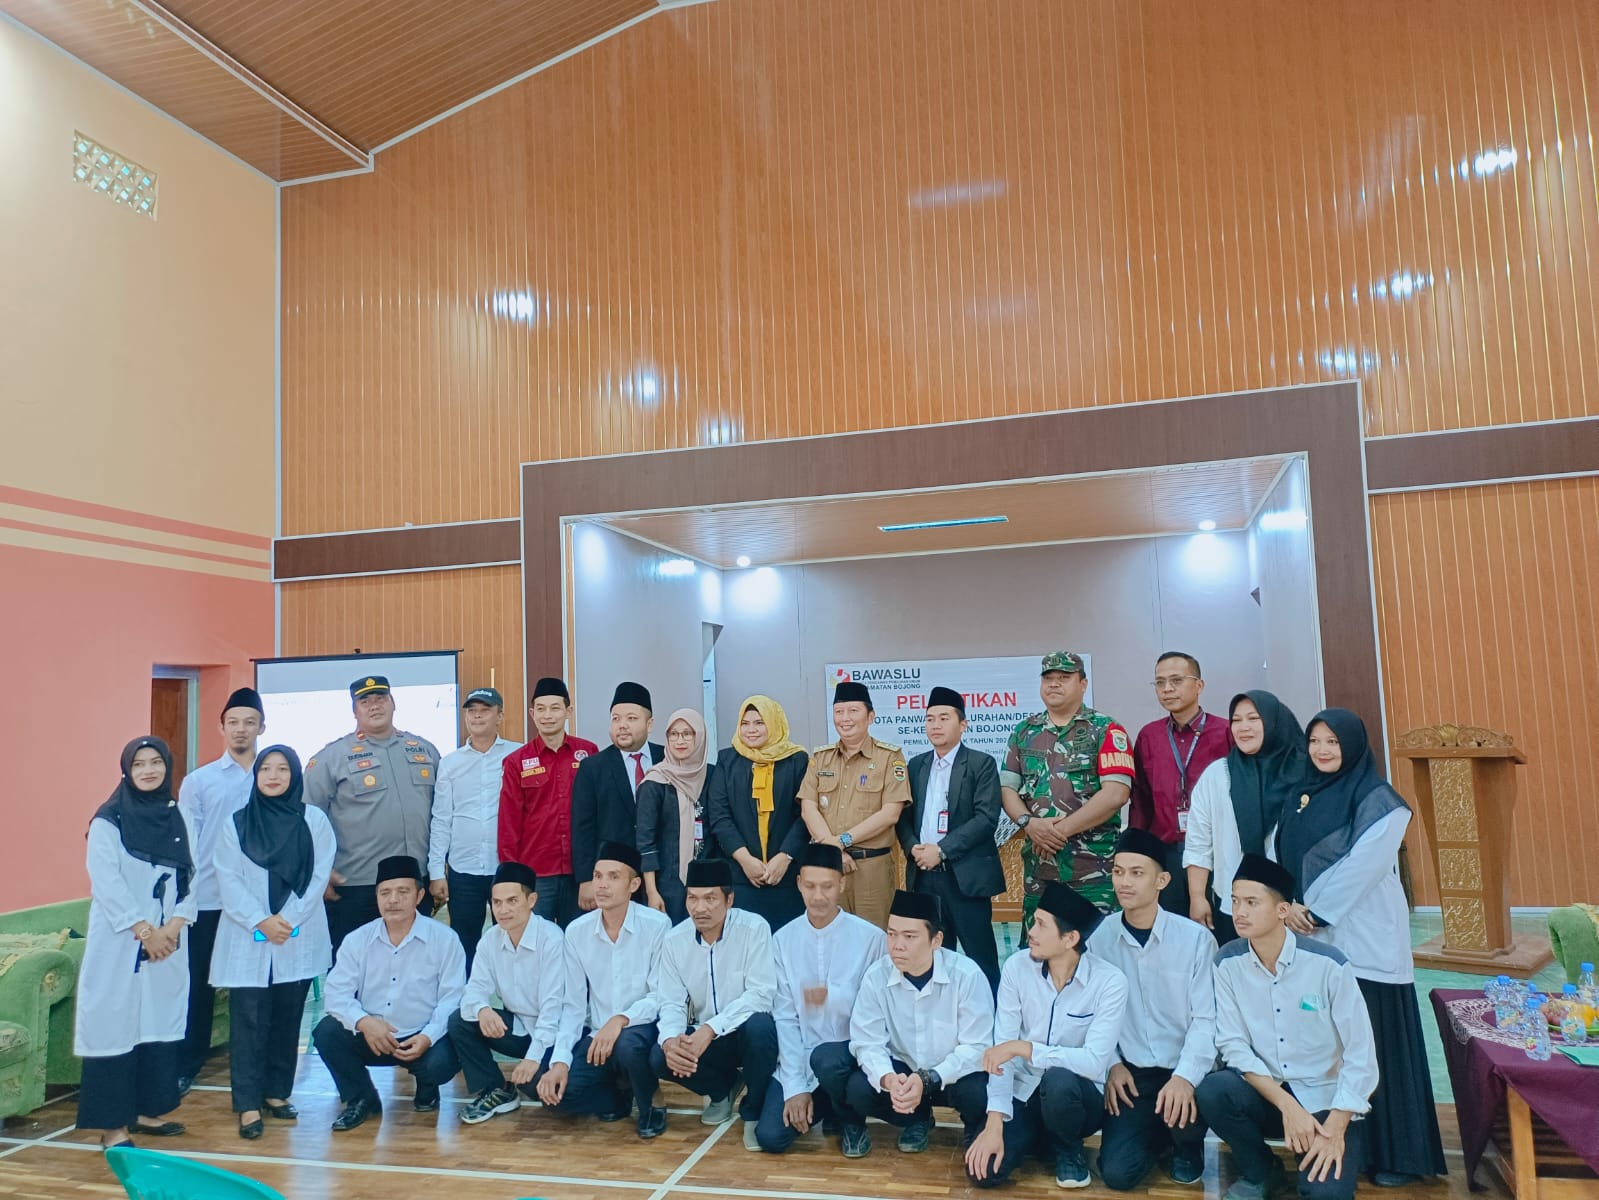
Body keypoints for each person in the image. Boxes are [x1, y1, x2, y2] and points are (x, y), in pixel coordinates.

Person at [1276, 709, 1446, 1187]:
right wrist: (1288, 906)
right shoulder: (1300, 795)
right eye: (1315, 741)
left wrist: (1315, 912)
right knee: (1335, 1048)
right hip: (1311, 936)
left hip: (1365, 942)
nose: (1322, 750)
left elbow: (1363, 867)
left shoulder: (1382, 802)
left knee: (1377, 1045)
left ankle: (1399, 1156)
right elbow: (1279, 852)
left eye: (1333, 741)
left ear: (1352, 745)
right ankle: (1348, 1148)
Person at [1196, 854, 1377, 1200]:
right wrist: (1287, 1106)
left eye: (1252, 902)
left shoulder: (1329, 965)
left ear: (1282, 910)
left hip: (1325, 1099)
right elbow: (1233, 1044)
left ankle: (1328, 1151)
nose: (1239, 912)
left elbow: (1361, 1054)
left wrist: (1336, 1125)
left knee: (1327, 1195)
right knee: (1213, 1091)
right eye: (1235, 901)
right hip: (1268, 1094)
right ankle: (1262, 1172)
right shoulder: (1227, 962)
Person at [965, 881, 1127, 1190]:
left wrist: (1025, 1048)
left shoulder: (1110, 982)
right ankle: (1037, 1138)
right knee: (983, 1173)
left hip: (1077, 1098)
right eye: (1033, 921)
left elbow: (1094, 1062)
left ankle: (1068, 1149)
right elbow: (1001, 1055)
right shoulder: (1016, 968)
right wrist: (995, 1121)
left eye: (1041, 924)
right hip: (1024, 1091)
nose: (1031, 932)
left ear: (1070, 939)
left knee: (1058, 1079)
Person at [75, 737, 196, 1150]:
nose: (148, 770)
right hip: (120, 944)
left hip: (167, 943)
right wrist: (145, 932)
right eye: (139, 763)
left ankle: (146, 1109)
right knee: (114, 1027)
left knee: (156, 1024)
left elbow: (195, 875)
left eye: (156, 762)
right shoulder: (108, 821)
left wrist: (173, 928)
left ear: (167, 767)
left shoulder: (179, 816)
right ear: (127, 770)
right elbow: (107, 883)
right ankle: (113, 1128)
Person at [209, 745, 336, 1139]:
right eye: (266, 769)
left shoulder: (313, 820)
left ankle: (277, 1092)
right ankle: (247, 1103)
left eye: (282, 769)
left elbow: (319, 875)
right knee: (248, 1020)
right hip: (249, 936)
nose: (274, 776)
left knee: (287, 1015)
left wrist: (288, 920)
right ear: (256, 775)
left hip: (297, 933)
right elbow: (227, 878)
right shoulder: (236, 823)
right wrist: (261, 921)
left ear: (294, 776)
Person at [819, 890, 994, 1158]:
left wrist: (929, 1078)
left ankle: (975, 1128)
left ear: (936, 940)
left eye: (909, 937)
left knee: (979, 1090)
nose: (897, 945)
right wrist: (888, 1079)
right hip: (902, 1072)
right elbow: (867, 1041)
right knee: (856, 1086)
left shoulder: (967, 976)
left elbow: (977, 1047)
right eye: (891, 934)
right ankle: (916, 1118)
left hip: (949, 1077)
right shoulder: (876, 976)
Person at [1088, 828, 1217, 1190]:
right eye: (1118, 872)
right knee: (1117, 1174)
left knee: (1202, 1093)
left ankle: (1186, 1145)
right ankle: (1159, 1134)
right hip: (1134, 1073)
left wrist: (1185, 1076)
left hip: (1184, 1066)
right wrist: (1112, 1064)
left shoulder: (1196, 940)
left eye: (1137, 873)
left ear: (1162, 881)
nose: (1124, 882)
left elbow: (1207, 1021)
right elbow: (1093, 1015)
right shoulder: (1100, 939)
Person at [311, 855, 465, 1132]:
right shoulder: (357, 939)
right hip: (373, 1036)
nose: (393, 900)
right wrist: (365, 1022)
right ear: (377, 897)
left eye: (403, 892)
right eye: (385, 893)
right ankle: (362, 1098)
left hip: (421, 1036)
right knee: (327, 1032)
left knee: (441, 1062)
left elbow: (453, 998)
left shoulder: (445, 939)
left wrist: (427, 1037)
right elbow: (335, 994)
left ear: (419, 896)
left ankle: (427, 1084)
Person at [758, 843, 886, 1155]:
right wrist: (795, 1086)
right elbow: (785, 1017)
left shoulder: (872, 939)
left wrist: (833, 996)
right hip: (801, 1057)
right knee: (771, 1137)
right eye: (810, 886)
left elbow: (878, 1012)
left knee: (830, 1062)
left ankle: (850, 1118)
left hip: (850, 1057)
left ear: (842, 884)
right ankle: (826, 1104)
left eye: (827, 886)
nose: (818, 896)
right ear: (799, 883)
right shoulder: (782, 940)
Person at [540, 841, 672, 1138]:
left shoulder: (657, 925)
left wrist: (621, 1019)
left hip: (642, 1028)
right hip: (598, 1035)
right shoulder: (577, 931)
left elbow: (661, 995)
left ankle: (652, 1101)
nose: (601, 885)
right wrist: (560, 1061)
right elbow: (573, 1005)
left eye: (613, 877)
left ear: (634, 885)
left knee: (627, 1045)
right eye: (598, 876)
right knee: (556, 1096)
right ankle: (617, 1094)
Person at [305, 676, 442, 957]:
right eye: (365, 701)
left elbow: (443, 813)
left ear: (393, 703)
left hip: (414, 880)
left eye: (381, 699)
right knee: (355, 967)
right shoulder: (331, 757)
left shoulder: (424, 750)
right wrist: (318, 870)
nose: (374, 706)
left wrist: (441, 867)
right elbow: (306, 818)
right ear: (354, 710)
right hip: (356, 885)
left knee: (416, 964)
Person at [649, 859, 778, 1149]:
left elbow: (761, 994)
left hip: (744, 1033)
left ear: (729, 900)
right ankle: (722, 1090)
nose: (700, 908)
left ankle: (754, 1111)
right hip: (707, 1040)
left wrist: (710, 1028)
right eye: (692, 898)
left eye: (710, 899)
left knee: (760, 1026)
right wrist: (670, 1041)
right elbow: (670, 1002)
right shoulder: (675, 940)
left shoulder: (754, 928)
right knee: (659, 1055)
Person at [1001, 652, 1135, 921]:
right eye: (1048, 678)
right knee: (1038, 943)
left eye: (1064, 677)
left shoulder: (1106, 729)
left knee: (1094, 942)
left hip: (1093, 870)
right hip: (1040, 870)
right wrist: (1029, 823)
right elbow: (1007, 790)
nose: (1054, 684)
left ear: (1083, 684)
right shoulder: (1024, 731)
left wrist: (1058, 832)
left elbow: (1116, 794)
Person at [176, 685, 264, 1092]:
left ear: (262, 727)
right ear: (221, 727)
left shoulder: (273, 775)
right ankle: (187, 1064)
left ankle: (255, 1068)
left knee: (256, 986)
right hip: (209, 900)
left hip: (260, 902)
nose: (241, 730)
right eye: (233, 722)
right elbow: (187, 846)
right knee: (198, 985)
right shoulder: (199, 782)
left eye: (249, 722)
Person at [898, 685, 1004, 990]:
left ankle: (991, 1015)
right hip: (924, 877)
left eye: (944, 718)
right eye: (930, 719)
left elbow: (986, 818)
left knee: (980, 960)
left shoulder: (981, 763)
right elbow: (903, 817)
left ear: (963, 724)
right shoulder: (916, 765)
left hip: (964, 879)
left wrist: (942, 850)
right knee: (933, 958)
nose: (935, 725)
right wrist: (912, 848)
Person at [1184, 692, 1309, 945]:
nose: (1243, 727)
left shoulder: (1306, 773)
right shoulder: (1218, 775)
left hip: (1295, 910)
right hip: (1235, 908)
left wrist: (1293, 899)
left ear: (1273, 722)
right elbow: (1198, 842)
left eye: (1253, 718)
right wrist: (1197, 897)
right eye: (1236, 720)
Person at [449, 861, 566, 1126]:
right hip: (519, 1028)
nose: (503, 910)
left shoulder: (551, 939)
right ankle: (497, 1089)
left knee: (546, 1094)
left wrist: (533, 1058)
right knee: (460, 1020)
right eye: (497, 902)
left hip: (556, 1035)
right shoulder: (491, 939)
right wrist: (482, 1009)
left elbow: (554, 1009)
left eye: (512, 901)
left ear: (531, 900)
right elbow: (473, 990)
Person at [796, 681, 912, 929]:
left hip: (871, 868)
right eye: (839, 712)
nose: (845, 718)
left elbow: (890, 814)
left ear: (870, 716)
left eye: (853, 711)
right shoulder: (820, 758)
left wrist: (841, 841)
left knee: (873, 936)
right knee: (829, 934)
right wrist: (834, 849)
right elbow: (808, 808)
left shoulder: (890, 758)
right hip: (829, 866)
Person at [1128, 653, 1232, 916]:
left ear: (1199, 685)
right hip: (1166, 854)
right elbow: (1140, 800)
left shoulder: (1226, 732)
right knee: (1171, 930)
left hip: (1217, 853)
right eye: (1160, 682)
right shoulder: (1149, 736)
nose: (1167, 689)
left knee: (1219, 926)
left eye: (1176, 680)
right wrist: (1135, 851)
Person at [428, 686, 517, 969]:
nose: (477, 716)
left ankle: (514, 996)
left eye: (485, 710)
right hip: (463, 870)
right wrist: (436, 871)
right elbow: (441, 819)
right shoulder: (450, 763)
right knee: (464, 943)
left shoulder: (517, 755)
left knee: (513, 941)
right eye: (472, 711)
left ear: (499, 716)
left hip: (506, 867)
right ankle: (467, 996)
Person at [499, 677, 598, 928]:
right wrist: (511, 876)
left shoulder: (589, 753)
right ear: (532, 713)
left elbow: (599, 815)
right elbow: (509, 822)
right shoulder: (516, 762)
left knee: (580, 940)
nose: (547, 715)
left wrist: (595, 870)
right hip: (535, 874)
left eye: (555, 708)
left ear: (568, 711)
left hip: (580, 874)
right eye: (541, 709)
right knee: (535, 941)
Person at [707, 695, 811, 929]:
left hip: (786, 876)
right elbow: (720, 815)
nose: (751, 730)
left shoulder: (797, 760)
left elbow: (805, 814)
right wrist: (745, 860)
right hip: (741, 877)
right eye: (745, 723)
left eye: (759, 722)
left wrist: (784, 857)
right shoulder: (727, 759)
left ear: (774, 722)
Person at [571, 682, 662, 914]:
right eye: (615, 718)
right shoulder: (593, 767)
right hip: (613, 875)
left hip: (661, 874)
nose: (622, 725)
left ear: (649, 724)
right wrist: (586, 879)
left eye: (631, 718)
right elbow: (582, 827)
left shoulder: (666, 758)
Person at [636, 709, 716, 921]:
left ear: (700, 737)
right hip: (666, 885)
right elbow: (645, 841)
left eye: (687, 734)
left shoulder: (713, 776)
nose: (680, 740)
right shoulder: (655, 782)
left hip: (708, 882)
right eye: (674, 734)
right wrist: (651, 892)